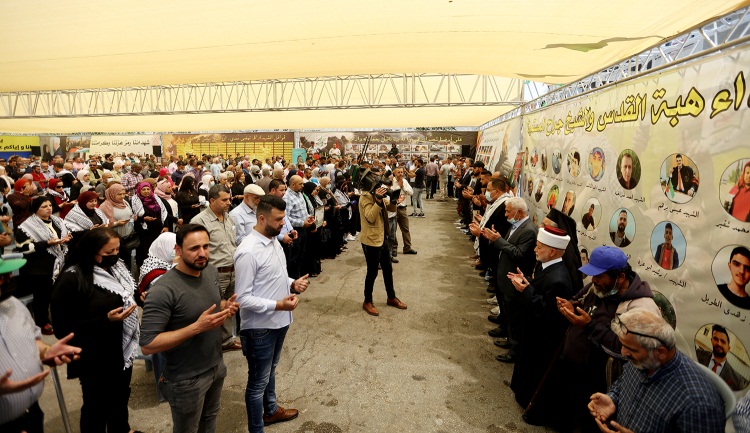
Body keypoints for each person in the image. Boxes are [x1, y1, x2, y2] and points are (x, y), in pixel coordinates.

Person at [542, 246, 661, 432]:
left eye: (599, 276)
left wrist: (589, 326)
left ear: (620, 277)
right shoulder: (599, 286)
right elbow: (580, 298)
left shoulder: (640, 309)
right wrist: (571, 304)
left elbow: (626, 351)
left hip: (599, 386)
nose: (593, 280)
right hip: (574, 374)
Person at [139, 224, 239, 433]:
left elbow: (214, 301)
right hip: (186, 379)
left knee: (210, 420)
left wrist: (225, 306)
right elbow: (148, 345)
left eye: (206, 246)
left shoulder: (210, 271)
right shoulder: (163, 290)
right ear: (177, 250)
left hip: (215, 366)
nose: (202, 253)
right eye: (194, 248)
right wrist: (196, 328)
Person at [50, 228, 141, 433]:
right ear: (91, 251)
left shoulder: (116, 268)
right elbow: (61, 328)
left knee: (119, 397)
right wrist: (104, 320)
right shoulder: (72, 278)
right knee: (96, 406)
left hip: (119, 349)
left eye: (117, 250)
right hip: (94, 354)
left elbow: (127, 294)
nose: (115, 256)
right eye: (109, 253)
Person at [234, 195, 310, 432]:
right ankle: (257, 428)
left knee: (271, 370)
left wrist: (292, 283)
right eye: (278, 219)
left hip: (279, 321)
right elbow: (243, 298)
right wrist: (278, 305)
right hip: (259, 328)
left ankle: (271, 409)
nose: (282, 224)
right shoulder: (247, 251)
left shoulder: (273, 240)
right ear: (262, 217)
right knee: (257, 383)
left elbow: (274, 275)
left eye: (283, 218)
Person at [588, 309, 724, 433]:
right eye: (623, 346)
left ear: (661, 352)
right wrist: (612, 398)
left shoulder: (698, 405)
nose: (623, 353)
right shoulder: (643, 361)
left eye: (630, 349)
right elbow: (623, 383)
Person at [0, 255, 82, 433]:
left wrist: (46, 351)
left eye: (7, 274)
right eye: (1, 277)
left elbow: (33, 339)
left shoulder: (12, 304)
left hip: (31, 413)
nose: (8, 280)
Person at [506, 226, 575, 413]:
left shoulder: (559, 279)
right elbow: (540, 288)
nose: (535, 250)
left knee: (534, 372)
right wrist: (527, 281)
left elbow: (548, 312)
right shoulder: (547, 266)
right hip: (533, 331)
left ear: (552, 251)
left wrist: (525, 289)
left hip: (543, 338)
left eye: (539, 247)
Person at [480, 197, 538, 363]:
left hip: (515, 279)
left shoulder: (528, 230)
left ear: (519, 212)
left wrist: (497, 240)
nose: (505, 215)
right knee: (508, 310)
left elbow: (519, 254)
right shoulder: (516, 225)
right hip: (505, 275)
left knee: (515, 316)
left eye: (508, 211)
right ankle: (505, 332)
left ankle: (514, 349)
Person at [192, 185, 241, 352]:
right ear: (212, 201)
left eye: (229, 199)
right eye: (224, 200)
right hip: (215, 272)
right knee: (213, 308)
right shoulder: (200, 221)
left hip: (233, 271)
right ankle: (210, 346)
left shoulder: (229, 218)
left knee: (228, 307)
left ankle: (226, 341)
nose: (229, 203)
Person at [14, 197, 73, 335]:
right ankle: (42, 322)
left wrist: (67, 238)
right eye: (44, 207)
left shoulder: (57, 221)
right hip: (38, 265)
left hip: (58, 261)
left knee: (65, 288)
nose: (49, 208)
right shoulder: (26, 226)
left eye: (50, 205)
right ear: (35, 210)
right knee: (43, 293)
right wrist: (47, 243)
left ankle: (61, 317)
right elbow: (23, 248)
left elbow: (64, 235)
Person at [359, 168, 407, 316]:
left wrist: (394, 201)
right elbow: (370, 217)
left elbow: (390, 206)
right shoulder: (366, 197)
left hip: (382, 238)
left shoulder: (377, 195)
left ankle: (391, 297)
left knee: (388, 269)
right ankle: (367, 301)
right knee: (372, 272)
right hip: (371, 240)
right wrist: (378, 201)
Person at [696, 324, 749, 391]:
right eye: (715, 339)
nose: (719, 344)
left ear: (728, 348)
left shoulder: (737, 381)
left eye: (723, 341)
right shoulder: (698, 354)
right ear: (711, 340)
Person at [99, 183, 138, 268]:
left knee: (127, 261)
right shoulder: (105, 206)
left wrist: (132, 217)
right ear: (112, 194)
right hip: (114, 240)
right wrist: (117, 223)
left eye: (124, 194)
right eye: (119, 194)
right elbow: (101, 225)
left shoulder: (124, 202)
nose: (122, 196)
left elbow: (129, 213)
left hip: (127, 237)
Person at [131, 181, 168, 267]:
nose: (146, 191)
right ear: (139, 190)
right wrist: (143, 219)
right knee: (145, 252)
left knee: (158, 250)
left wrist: (166, 226)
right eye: (144, 189)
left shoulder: (156, 198)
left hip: (158, 230)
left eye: (148, 189)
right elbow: (132, 217)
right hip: (144, 232)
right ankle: (144, 270)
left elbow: (164, 212)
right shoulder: (134, 201)